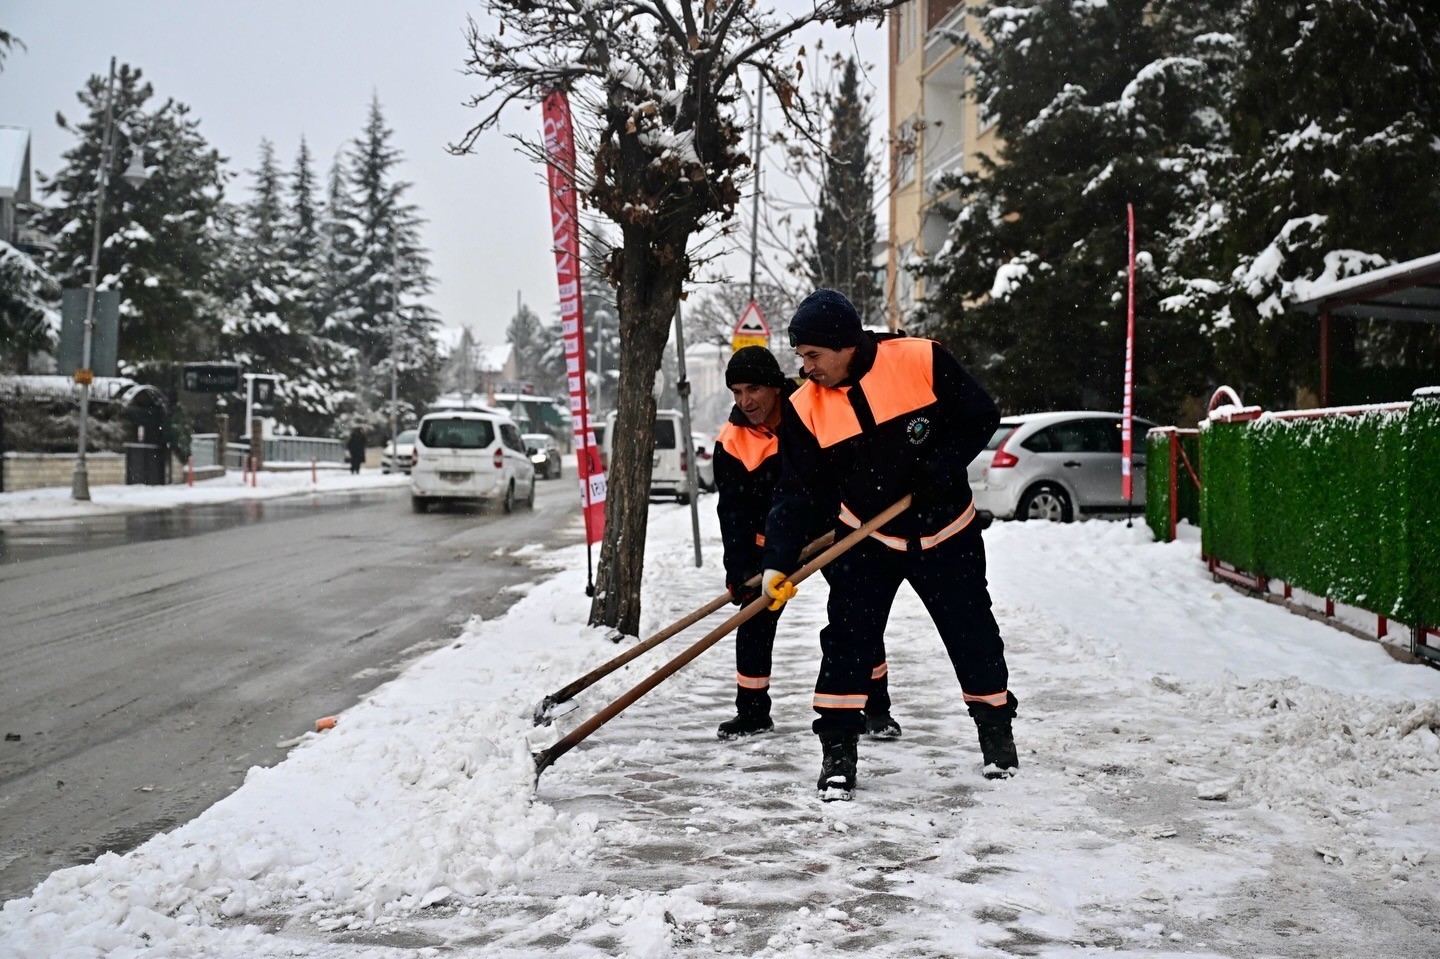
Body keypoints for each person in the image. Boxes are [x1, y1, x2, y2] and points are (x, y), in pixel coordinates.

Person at [760, 289, 1018, 801]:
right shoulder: (803, 408)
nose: (806, 368)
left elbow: (979, 415)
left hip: (947, 530)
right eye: (800, 357)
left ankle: (996, 735)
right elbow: (796, 491)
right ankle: (837, 751)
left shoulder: (920, 359)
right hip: (866, 534)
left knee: (972, 633)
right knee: (847, 642)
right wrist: (777, 561)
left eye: (813, 355)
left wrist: (938, 468)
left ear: (845, 344)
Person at [712, 346, 902, 742]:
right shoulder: (732, 442)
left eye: (754, 389)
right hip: (773, 547)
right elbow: (733, 513)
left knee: (857, 616)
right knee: (753, 623)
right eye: (736, 392)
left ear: (776, 387)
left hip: (835, 532)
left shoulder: (812, 409)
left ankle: (876, 708)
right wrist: (740, 569)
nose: (745, 401)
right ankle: (752, 713)